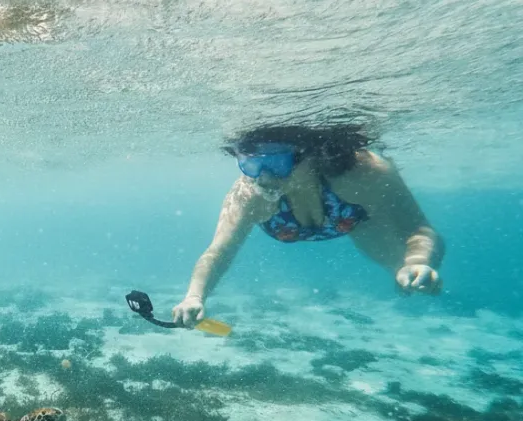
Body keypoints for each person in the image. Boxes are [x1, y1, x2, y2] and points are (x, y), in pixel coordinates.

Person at [172, 122, 445, 327]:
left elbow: (418, 229)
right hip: (335, 221)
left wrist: (418, 261)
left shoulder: (364, 174)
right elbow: (218, 252)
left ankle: (404, 271)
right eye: (250, 165)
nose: (263, 177)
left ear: (310, 156)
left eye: (275, 163)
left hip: (355, 222)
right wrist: (194, 296)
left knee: (395, 259)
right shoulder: (249, 196)